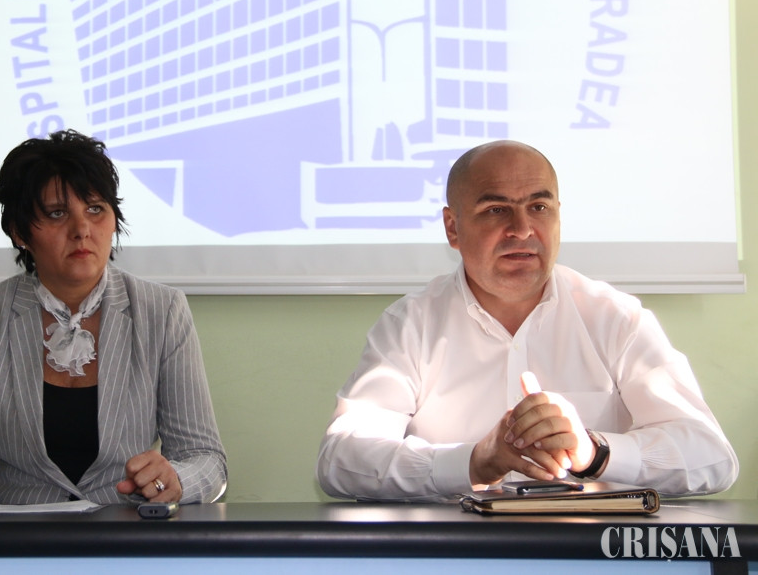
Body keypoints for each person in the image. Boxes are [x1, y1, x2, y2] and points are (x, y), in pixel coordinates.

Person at [316, 140, 738, 501]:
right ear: (453, 228)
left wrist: (594, 453)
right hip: (457, 553)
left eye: (539, 207)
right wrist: (474, 462)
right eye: (496, 210)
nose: (522, 229)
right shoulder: (412, 324)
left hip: (589, 551)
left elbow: (712, 455)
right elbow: (341, 458)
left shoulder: (615, 318)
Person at [0, 130, 227, 506]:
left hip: (124, 530)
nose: (82, 230)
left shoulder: (162, 310)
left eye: (95, 209)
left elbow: (207, 461)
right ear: (19, 232)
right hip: (19, 534)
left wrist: (175, 480)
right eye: (57, 214)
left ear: (114, 219)